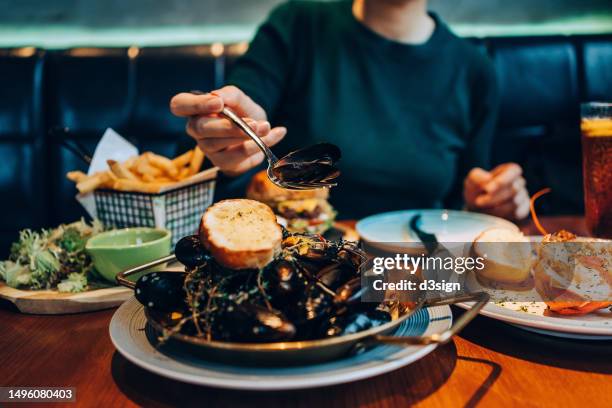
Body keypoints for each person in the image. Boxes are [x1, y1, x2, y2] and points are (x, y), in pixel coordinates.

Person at [170, 0, 530, 220]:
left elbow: (470, 196)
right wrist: (233, 127)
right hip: (302, 258)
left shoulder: (473, 69)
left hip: (417, 274)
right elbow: (247, 100)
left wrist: (491, 202)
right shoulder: (298, 24)